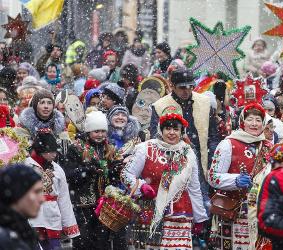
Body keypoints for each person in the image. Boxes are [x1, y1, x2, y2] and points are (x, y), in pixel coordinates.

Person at [121, 105, 208, 249]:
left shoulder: (188, 153)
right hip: (149, 213)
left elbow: (194, 187)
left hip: (179, 216)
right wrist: (142, 186)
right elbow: (126, 174)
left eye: (176, 129)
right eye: (168, 128)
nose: (172, 132)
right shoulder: (146, 148)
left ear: (182, 132)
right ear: (161, 130)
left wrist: (199, 217)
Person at [150, 69, 220, 207]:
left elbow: (213, 136)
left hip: (200, 160)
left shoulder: (205, 103)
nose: (186, 91)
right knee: (173, 205)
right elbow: (155, 137)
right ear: (172, 86)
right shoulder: (160, 106)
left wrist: (213, 159)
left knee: (202, 203)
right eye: (182, 87)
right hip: (172, 162)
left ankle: (201, 228)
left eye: (190, 87)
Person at [208, 103, 273, 249]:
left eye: (258, 120)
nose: (254, 124)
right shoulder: (228, 144)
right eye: (250, 119)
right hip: (234, 212)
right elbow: (212, 177)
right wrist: (235, 180)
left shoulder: (269, 147)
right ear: (242, 121)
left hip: (259, 213)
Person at [62, 110, 126, 250]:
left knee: (104, 243)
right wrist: (87, 170)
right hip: (83, 205)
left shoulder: (110, 149)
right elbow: (68, 174)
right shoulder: (77, 148)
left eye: (103, 131)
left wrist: (115, 171)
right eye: (96, 131)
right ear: (88, 131)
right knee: (85, 242)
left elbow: (114, 180)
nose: (100, 135)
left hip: (106, 205)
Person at [25, 130, 79, 250]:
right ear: (40, 150)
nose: (54, 154)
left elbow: (64, 198)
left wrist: (68, 224)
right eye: (50, 151)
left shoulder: (57, 169)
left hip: (52, 216)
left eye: (55, 151)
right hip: (33, 216)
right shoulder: (26, 165)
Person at [0, 164, 43, 250]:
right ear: (17, 193)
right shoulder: (5, 239)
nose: (42, 199)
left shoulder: (22, 229)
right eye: (36, 192)